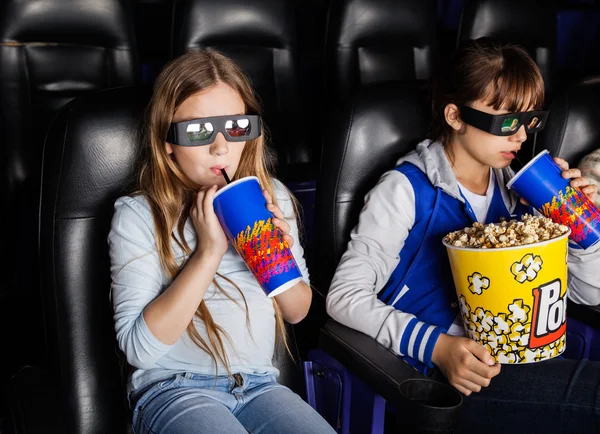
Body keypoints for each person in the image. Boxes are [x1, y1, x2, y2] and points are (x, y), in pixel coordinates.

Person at [326, 38, 600, 433]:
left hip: (526, 357)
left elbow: (590, 296)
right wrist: (437, 348)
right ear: (455, 116)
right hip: (448, 374)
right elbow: (343, 297)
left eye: (530, 120)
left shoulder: (524, 191)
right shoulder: (405, 189)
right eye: (506, 122)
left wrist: (581, 228)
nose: (521, 137)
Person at [109, 49, 335, 434]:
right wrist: (208, 252)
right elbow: (138, 350)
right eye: (198, 131)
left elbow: (298, 312)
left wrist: (274, 257)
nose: (220, 147)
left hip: (260, 385)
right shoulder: (138, 214)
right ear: (168, 142)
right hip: (171, 390)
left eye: (235, 127)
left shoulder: (271, 197)